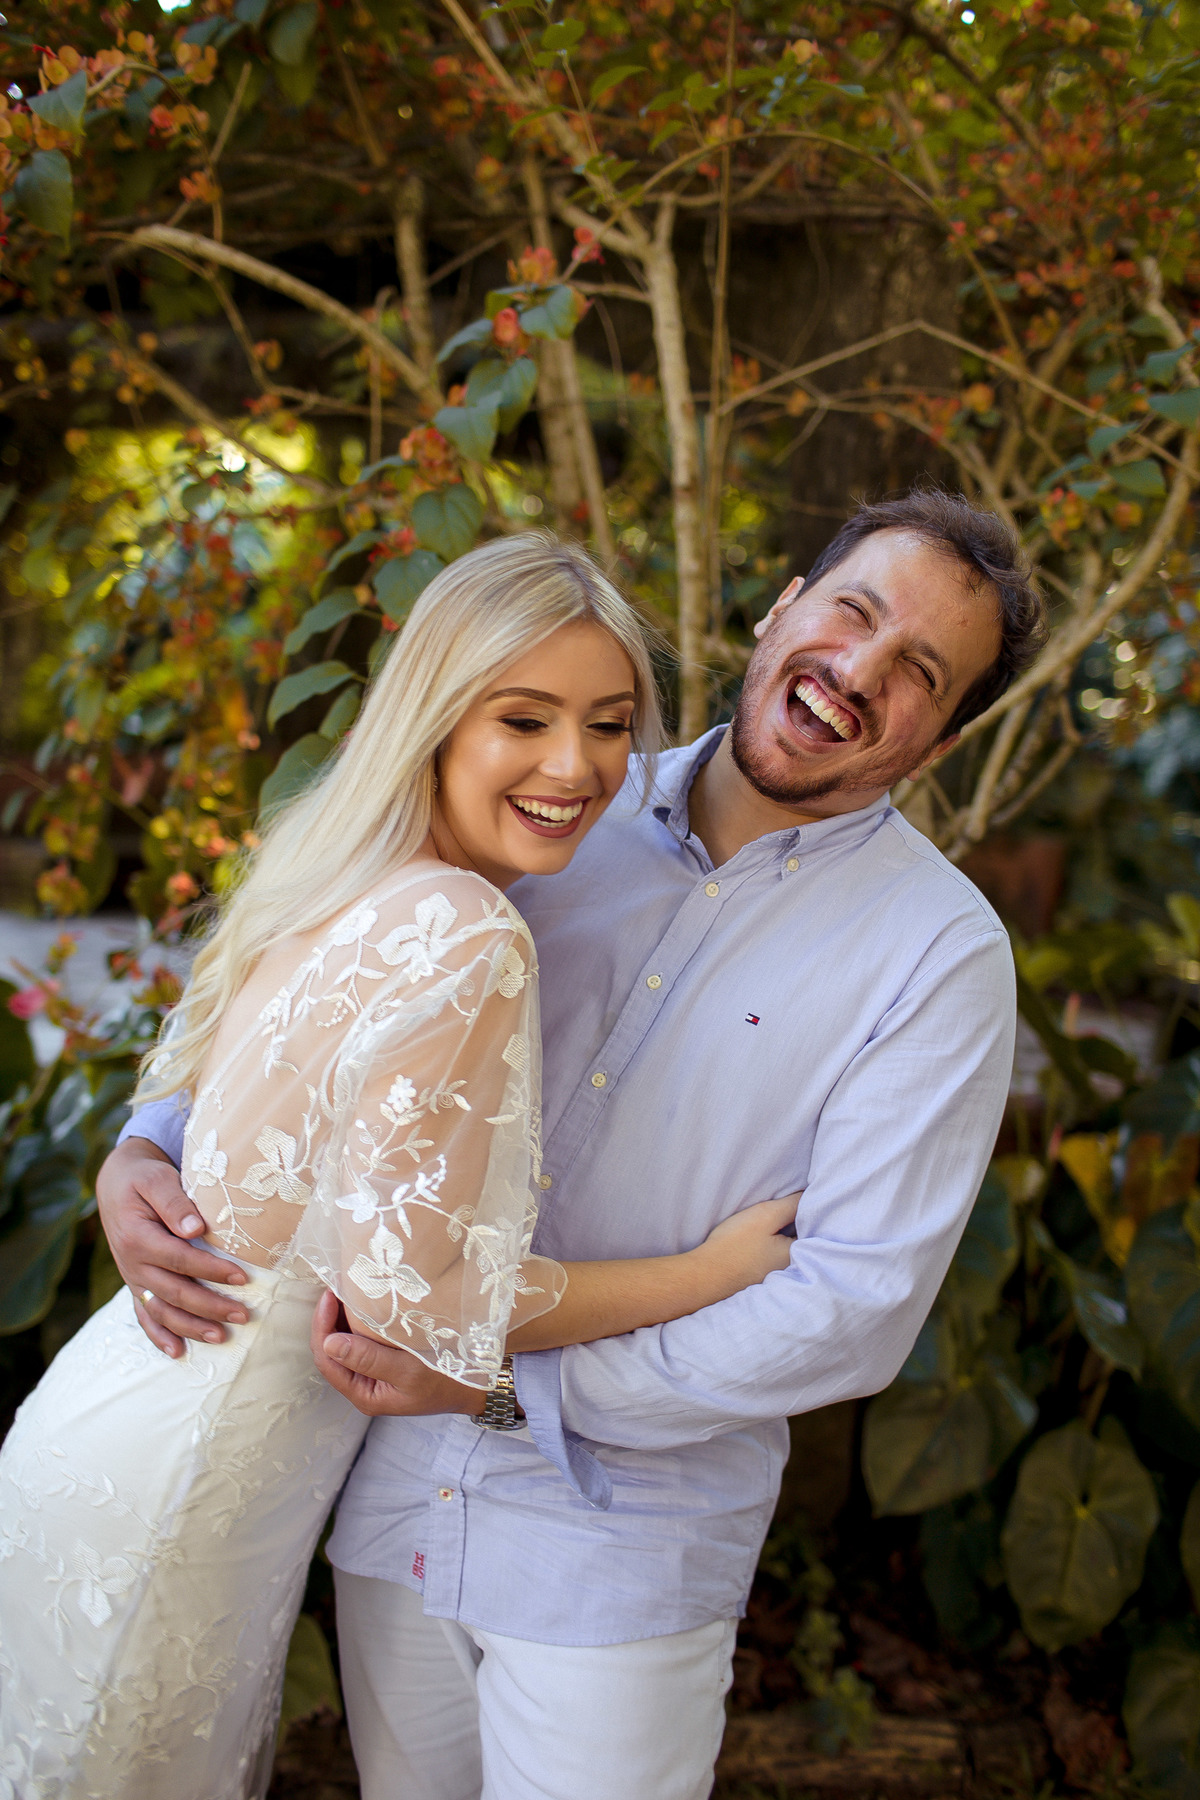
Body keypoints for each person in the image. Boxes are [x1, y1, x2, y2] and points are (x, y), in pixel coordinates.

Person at [101, 489, 1047, 1800]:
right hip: (391, 1495)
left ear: (943, 735)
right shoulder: (554, 795)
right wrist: (146, 1143)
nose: (859, 670)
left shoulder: (939, 956)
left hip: (622, 1553)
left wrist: (496, 1386)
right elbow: (322, 963)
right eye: (853, 611)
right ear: (782, 608)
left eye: (920, 673)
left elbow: (850, 1314)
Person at [0, 534, 796, 1800]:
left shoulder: (344, 862)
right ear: (438, 715)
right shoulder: (467, 929)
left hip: (115, 1423)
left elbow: (215, 1080)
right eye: (523, 719)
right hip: (187, 1486)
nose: (575, 765)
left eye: (608, 726)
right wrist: (705, 1272)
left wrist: (134, 1149)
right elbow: (417, 1308)